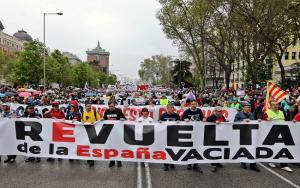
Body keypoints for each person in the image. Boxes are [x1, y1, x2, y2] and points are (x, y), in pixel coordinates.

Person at [265, 100, 293, 172]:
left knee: (283, 147)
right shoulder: (267, 112)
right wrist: (265, 120)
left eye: (277, 104)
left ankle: (284, 165)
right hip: (272, 133)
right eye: (274, 105)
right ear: (270, 106)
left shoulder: (281, 112)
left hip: (282, 132)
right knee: (272, 147)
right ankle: (270, 161)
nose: (276, 106)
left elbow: (284, 121)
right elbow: (263, 122)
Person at [234, 102, 260, 172]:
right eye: (247, 107)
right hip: (243, 134)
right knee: (244, 149)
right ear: (244, 108)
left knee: (253, 148)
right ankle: (243, 163)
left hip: (251, 134)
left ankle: (253, 165)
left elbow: (255, 121)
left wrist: (258, 121)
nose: (249, 108)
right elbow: (235, 122)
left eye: (250, 107)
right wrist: (243, 121)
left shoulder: (252, 114)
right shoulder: (238, 114)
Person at [181, 100, 204, 172]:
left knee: (197, 148)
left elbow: (202, 118)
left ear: (197, 104)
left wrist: (203, 119)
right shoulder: (187, 111)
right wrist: (185, 119)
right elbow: (182, 119)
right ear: (190, 105)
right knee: (189, 148)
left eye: (195, 104)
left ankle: (195, 164)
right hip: (189, 132)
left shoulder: (199, 111)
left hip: (197, 132)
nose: (194, 105)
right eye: (192, 104)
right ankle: (189, 163)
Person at [103, 100, 126, 168]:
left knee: (117, 147)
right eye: (110, 106)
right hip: (109, 132)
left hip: (117, 132)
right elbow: (104, 118)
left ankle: (119, 161)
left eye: (112, 106)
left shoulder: (118, 111)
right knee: (110, 147)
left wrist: (122, 119)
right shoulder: (106, 111)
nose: (111, 108)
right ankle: (112, 161)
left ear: (114, 106)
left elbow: (124, 118)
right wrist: (102, 119)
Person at [159, 103, 180, 171]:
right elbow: (159, 123)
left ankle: (172, 162)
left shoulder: (176, 115)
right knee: (166, 150)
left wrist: (179, 122)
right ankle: (166, 165)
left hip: (174, 135)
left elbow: (180, 123)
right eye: (171, 108)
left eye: (173, 108)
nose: (172, 109)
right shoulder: (163, 115)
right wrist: (159, 121)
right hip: (165, 135)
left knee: (173, 149)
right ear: (167, 108)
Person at [207, 106, 226, 172]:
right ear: (215, 111)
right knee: (214, 150)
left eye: (220, 111)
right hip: (213, 136)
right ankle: (213, 165)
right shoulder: (211, 117)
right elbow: (209, 122)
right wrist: (215, 121)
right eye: (218, 111)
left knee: (219, 150)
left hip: (220, 136)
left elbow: (224, 123)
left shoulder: (222, 117)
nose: (220, 112)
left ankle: (217, 162)